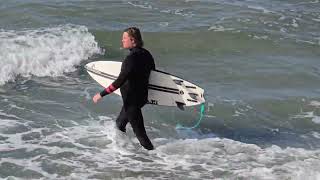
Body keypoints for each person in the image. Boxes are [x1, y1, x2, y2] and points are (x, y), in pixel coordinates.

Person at [93, 27, 155, 150]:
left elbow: (119, 81)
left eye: (124, 38)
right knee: (119, 124)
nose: (122, 41)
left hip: (132, 101)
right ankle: (123, 150)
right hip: (141, 98)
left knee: (141, 136)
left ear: (132, 40)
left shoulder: (130, 59)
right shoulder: (146, 54)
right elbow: (153, 75)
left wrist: (101, 94)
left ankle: (157, 160)